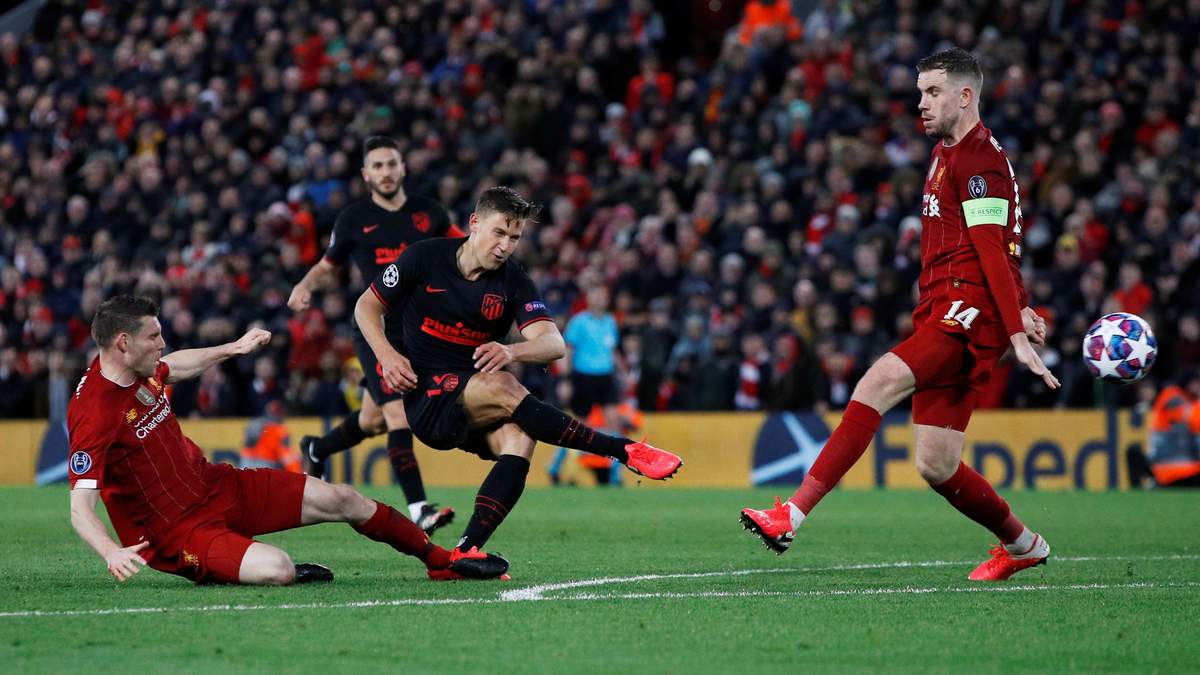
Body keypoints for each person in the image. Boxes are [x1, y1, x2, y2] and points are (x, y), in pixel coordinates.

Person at [740, 48, 1060, 582]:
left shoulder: (979, 161)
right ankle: (1023, 544)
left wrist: (1014, 332)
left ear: (966, 96)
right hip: (944, 307)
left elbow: (989, 250)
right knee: (936, 463)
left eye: (933, 92)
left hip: (965, 312)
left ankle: (790, 514)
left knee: (877, 382)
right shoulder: (946, 152)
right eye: (920, 93)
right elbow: (1005, 244)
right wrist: (1020, 304)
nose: (921, 104)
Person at [68, 295, 507, 585]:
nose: (162, 344)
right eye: (154, 337)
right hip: (178, 532)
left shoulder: (140, 369)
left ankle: (440, 561)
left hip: (218, 486)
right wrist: (110, 552)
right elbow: (79, 507)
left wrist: (232, 348)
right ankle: (264, 569)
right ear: (123, 342)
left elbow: (174, 367)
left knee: (343, 498)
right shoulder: (95, 412)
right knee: (277, 569)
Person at [355, 187, 682, 564]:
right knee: (504, 384)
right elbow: (366, 306)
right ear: (474, 223)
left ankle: (464, 551)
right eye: (499, 232)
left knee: (521, 438)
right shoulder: (424, 257)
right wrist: (387, 356)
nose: (505, 246)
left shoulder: (513, 282)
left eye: (514, 238)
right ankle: (621, 449)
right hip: (425, 395)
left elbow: (553, 343)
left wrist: (512, 350)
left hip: (470, 401)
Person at [288, 136, 464, 534]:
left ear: (403, 168)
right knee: (397, 413)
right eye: (378, 166)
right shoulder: (353, 219)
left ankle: (317, 447)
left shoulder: (429, 213)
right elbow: (327, 265)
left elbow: (463, 249)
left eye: (391, 164)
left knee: (372, 420)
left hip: (420, 330)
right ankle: (419, 509)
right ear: (366, 174)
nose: (386, 172)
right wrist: (304, 285)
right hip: (376, 328)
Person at [559, 285, 624, 485]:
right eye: (596, 295)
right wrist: (565, 380)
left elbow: (612, 350)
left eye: (603, 296)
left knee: (615, 423)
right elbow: (568, 351)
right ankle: (561, 470)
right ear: (588, 299)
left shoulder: (610, 321)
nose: (600, 299)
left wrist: (623, 372)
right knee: (578, 427)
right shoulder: (579, 322)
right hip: (583, 377)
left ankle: (616, 475)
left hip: (605, 377)